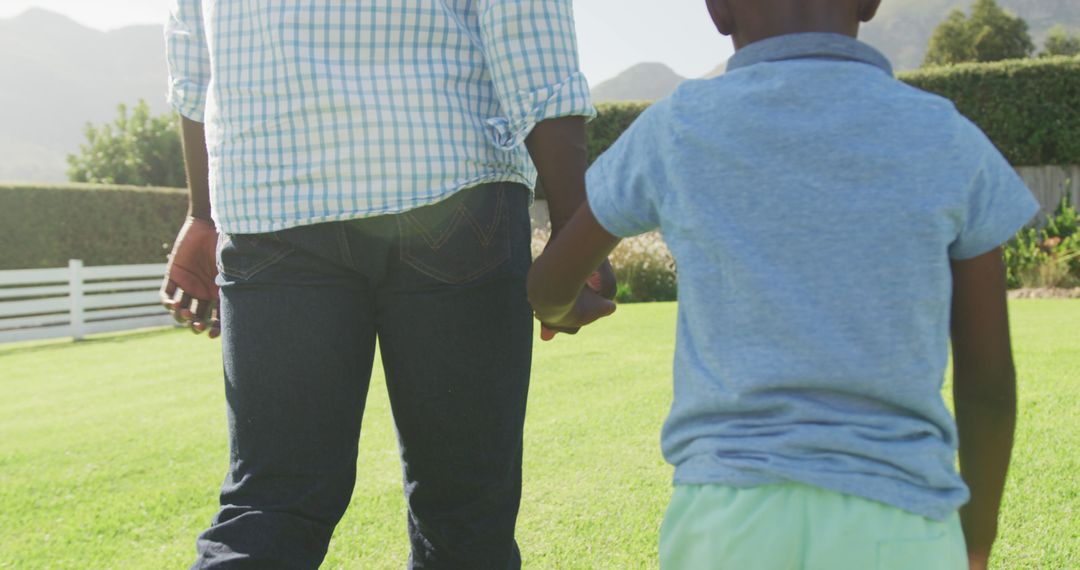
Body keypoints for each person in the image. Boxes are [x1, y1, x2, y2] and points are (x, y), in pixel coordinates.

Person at [527, 1, 1038, 568]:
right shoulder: (946, 135)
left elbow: (550, 282)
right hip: (902, 523)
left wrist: (562, 307)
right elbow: (988, 380)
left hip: (725, 526)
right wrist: (976, 539)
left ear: (717, 11)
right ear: (870, 2)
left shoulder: (678, 128)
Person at [160, 1, 614, 568]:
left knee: (270, 504)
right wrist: (574, 223)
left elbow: (190, 50)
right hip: (451, 187)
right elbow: (528, 27)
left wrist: (204, 213)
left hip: (271, 199)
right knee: (465, 517)